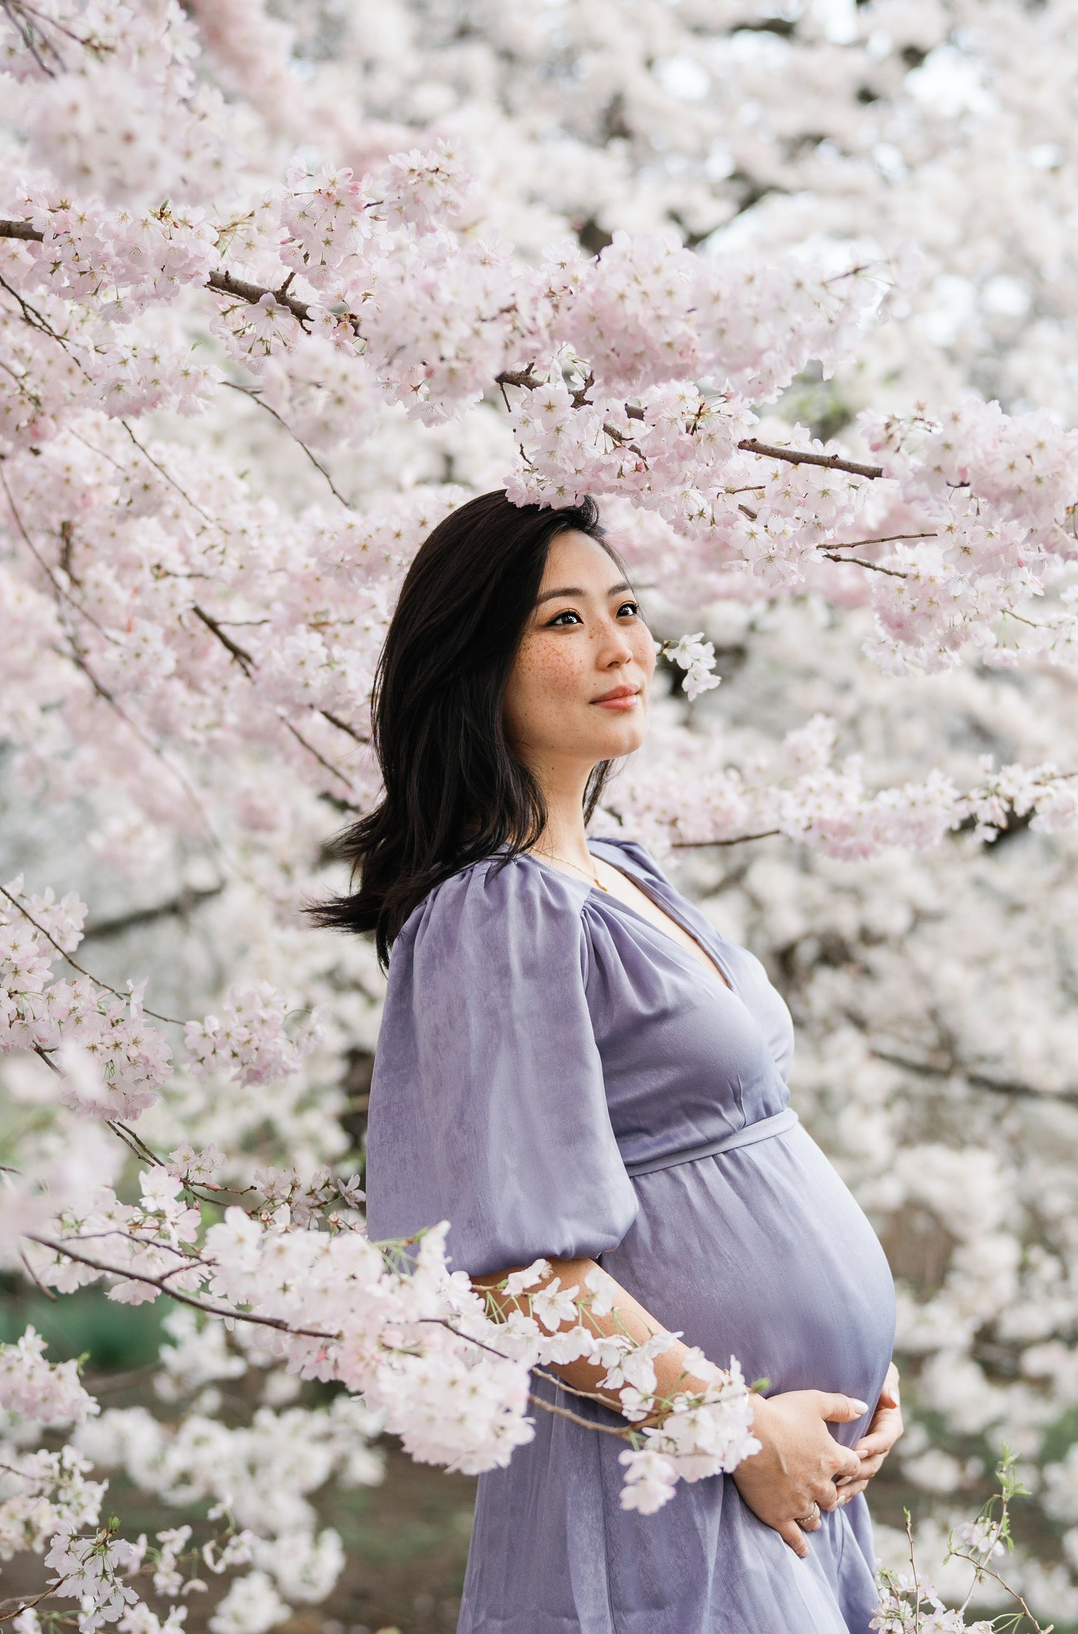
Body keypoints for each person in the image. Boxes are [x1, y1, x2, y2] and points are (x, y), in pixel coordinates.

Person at [316, 491, 905, 1632]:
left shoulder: (623, 871)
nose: (618, 646)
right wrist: (731, 1425)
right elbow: (511, 1263)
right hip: (665, 1473)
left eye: (625, 609)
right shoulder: (495, 914)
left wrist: (852, 1364)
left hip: (781, 1463)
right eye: (562, 622)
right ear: (471, 662)